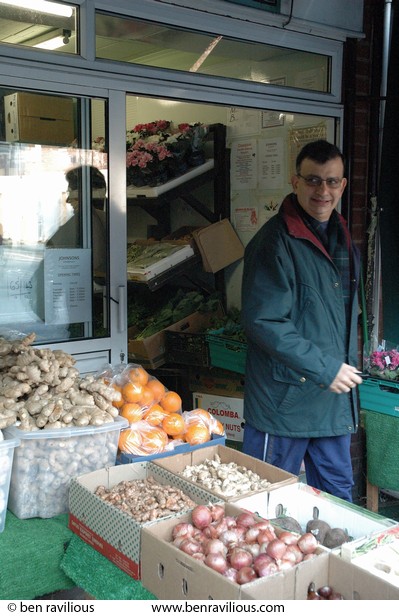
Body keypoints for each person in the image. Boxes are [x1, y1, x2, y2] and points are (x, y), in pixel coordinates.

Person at [241, 139, 363, 502]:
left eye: (331, 181)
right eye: (313, 180)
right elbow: (265, 321)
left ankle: (332, 561)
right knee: (261, 501)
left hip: (330, 402)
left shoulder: (342, 237)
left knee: (338, 501)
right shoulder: (274, 242)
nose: (322, 190)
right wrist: (327, 369)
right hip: (284, 402)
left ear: (342, 185)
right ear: (295, 182)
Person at [47, 165, 107, 275]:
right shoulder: (107, 220)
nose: (68, 200)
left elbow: (95, 262)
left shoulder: (85, 222)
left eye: (72, 194)